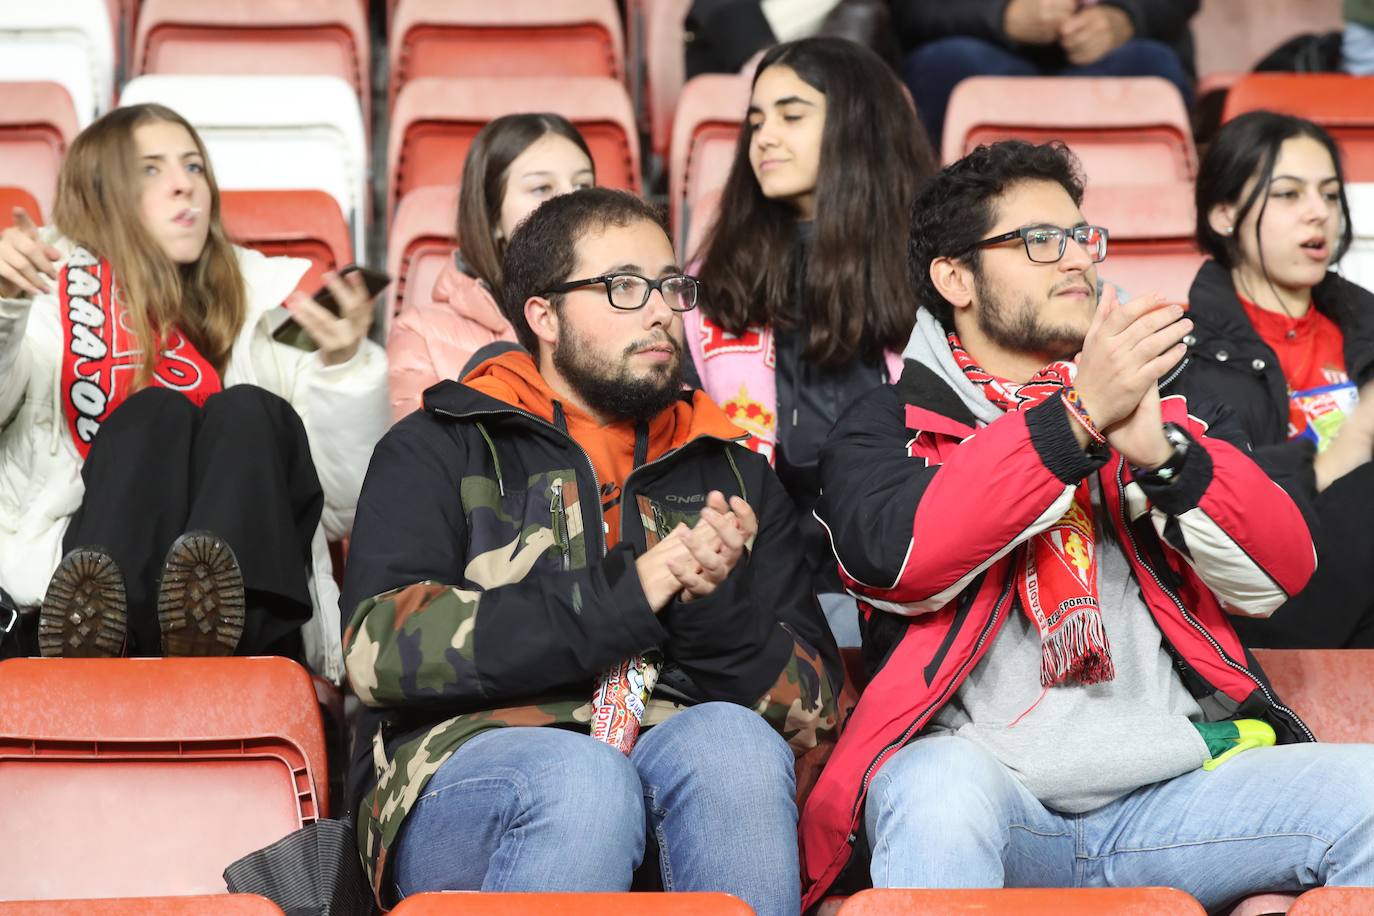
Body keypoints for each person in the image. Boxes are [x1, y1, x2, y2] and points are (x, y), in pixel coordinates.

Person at [797, 140, 1374, 910]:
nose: (1073, 259)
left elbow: (1284, 569)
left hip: (1171, 798)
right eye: (1038, 241)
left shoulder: (1160, 408)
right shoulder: (885, 425)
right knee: (933, 785)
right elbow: (899, 561)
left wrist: (1166, 459)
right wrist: (1074, 424)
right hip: (994, 794)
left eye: (1080, 237)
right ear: (954, 276)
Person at [340, 188, 844, 914]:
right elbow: (376, 650)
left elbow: (821, 713)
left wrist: (712, 610)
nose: (661, 310)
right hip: (467, 772)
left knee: (736, 747)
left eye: (671, 286)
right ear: (543, 315)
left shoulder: (733, 471)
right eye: (623, 287)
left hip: (672, 753)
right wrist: (624, 598)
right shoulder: (441, 443)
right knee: (583, 779)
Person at [0, 104, 388, 674]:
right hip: (88, 616)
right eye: (152, 170)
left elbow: (345, 505)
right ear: (99, 192)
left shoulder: (263, 304)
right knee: (155, 412)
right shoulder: (42, 291)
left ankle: (209, 627)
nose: (185, 185)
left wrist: (345, 366)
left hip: (245, 633)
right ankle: (101, 630)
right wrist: (4, 307)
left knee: (252, 411)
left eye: (194, 167)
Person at [686, 36, 935, 644]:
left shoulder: (941, 281)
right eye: (756, 119)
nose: (763, 136)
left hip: (925, 594)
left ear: (860, 127)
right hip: (763, 605)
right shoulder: (710, 289)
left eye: (792, 115)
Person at [1184, 110, 1374, 649]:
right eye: (1289, 195)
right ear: (1224, 214)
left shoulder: (1366, 329)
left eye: (1331, 195)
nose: (1319, 213)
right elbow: (1215, 504)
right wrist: (1349, 449)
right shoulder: (1183, 353)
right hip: (1264, 607)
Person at [387, 113, 595, 421]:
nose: (570, 201)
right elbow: (421, 461)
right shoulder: (420, 334)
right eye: (541, 188)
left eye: (582, 186)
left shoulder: (627, 309)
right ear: (493, 216)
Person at [894, 0, 1198, 146]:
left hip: (1121, 52)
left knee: (1152, 66)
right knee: (945, 64)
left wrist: (1125, 19)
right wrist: (1001, 16)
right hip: (981, 54)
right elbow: (912, 11)